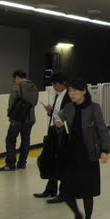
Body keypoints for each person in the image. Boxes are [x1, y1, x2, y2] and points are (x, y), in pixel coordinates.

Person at [55, 77, 110, 219]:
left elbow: (102, 129)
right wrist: (58, 125)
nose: (72, 94)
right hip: (70, 154)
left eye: (75, 91)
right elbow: (59, 121)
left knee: (87, 191)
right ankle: (77, 215)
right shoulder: (68, 108)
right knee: (66, 191)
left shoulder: (94, 108)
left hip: (88, 154)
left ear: (84, 92)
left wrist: (105, 149)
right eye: (70, 91)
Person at [33, 72, 71, 203]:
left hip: (62, 133)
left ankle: (63, 192)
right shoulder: (58, 95)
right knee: (49, 159)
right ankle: (50, 189)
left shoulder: (69, 96)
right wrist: (51, 112)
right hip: (53, 131)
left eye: (55, 84)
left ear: (62, 83)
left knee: (60, 162)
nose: (54, 86)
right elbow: (58, 114)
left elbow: (69, 116)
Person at [0, 69, 38, 171]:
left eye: (14, 79)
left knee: (10, 141)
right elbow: (35, 102)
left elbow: (11, 104)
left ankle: (10, 164)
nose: (14, 81)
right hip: (30, 119)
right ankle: (22, 163)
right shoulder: (34, 87)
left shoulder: (16, 88)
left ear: (17, 77)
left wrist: (10, 115)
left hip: (17, 119)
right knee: (25, 141)